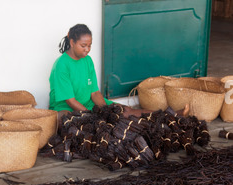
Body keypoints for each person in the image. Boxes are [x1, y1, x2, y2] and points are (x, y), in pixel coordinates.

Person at [49, 24, 189, 124]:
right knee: (65, 119)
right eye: (83, 46)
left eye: (90, 45)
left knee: (126, 111)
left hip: (89, 104)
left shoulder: (88, 60)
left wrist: (106, 110)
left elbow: (95, 93)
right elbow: (70, 101)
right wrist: (91, 115)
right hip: (67, 108)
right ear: (71, 41)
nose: (87, 50)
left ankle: (173, 114)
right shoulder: (62, 65)